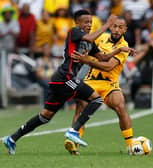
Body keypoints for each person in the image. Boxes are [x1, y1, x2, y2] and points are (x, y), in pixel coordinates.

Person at [2, 9, 127, 155]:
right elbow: (89, 38)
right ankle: (74, 131)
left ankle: (11, 139)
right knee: (96, 100)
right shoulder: (74, 32)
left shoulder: (90, 42)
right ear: (77, 23)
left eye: (91, 23)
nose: (89, 25)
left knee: (45, 116)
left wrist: (118, 50)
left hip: (62, 81)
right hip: (65, 78)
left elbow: (103, 58)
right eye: (86, 22)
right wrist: (107, 24)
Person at [64, 16, 136, 155]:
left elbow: (108, 67)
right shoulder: (100, 37)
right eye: (114, 26)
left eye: (120, 27)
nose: (116, 30)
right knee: (81, 107)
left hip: (109, 84)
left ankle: (130, 144)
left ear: (125, 29)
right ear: (110, 27)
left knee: (120, 105)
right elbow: (88, 43)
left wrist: (87, 60)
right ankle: (73, 143)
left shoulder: (124, 47)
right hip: (90, 81)